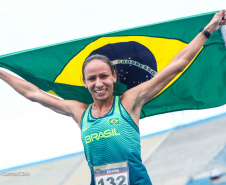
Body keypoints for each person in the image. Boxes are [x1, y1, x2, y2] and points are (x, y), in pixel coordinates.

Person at [0, 10, 225, 185]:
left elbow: (177, 65)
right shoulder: (79, 112)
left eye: (103, 76)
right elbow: (33, 93)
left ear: (114, 76)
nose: (98, 83)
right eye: (92, 78)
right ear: (85, 82)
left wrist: (210, 28)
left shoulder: (129, 102)